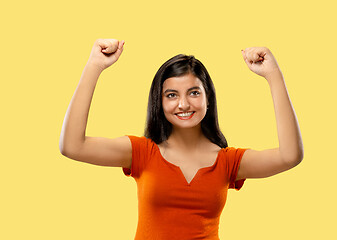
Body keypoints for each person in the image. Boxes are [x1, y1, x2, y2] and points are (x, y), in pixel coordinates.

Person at [59, 39, 304, 239]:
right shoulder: (142, 152)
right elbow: (72, 146)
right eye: (172, 94)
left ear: (208, 97)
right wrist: (94, 65)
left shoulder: (228, 161)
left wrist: (273, 74)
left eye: (194, 92)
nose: (184, 104)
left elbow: (290, 155)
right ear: (160, 101)